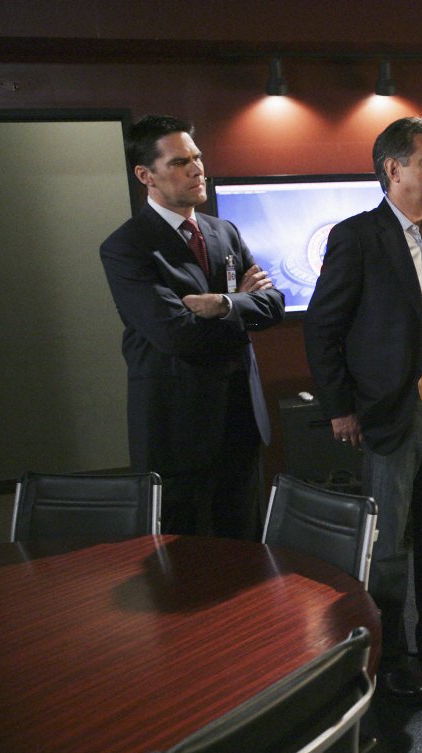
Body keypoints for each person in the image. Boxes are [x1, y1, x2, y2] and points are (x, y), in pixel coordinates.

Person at [303, 117, 422, 707]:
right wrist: (340, 408)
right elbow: (323, 328)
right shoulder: (357, 237)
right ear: (392, 169)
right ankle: (392, 654)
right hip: (388, 412)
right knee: (390, 544)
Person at [100, 114, 284, 538]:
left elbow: (274, 305)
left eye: (197, 158)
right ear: (145, 175)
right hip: (177, 427)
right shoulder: (127, 246)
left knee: (244, 546)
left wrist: (222, 304)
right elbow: (177, 335)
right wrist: (243, 309)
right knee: (183, 553)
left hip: (240, 417)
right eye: (180, 162)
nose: (197, 169)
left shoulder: (224, 231)